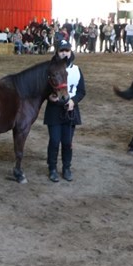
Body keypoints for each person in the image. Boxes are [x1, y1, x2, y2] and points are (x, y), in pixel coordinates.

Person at [44, 40, 85, 182]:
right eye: (61, 51)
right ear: (56, 52)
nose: (64, 53)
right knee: (55, 140)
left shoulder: (77, 69)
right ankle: (52, 168)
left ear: (70, 52)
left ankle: (66, 168)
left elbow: (81, 91)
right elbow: (44, 89)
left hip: (70, 109)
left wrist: (74, 101)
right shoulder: (50, 69)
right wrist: (49, 97)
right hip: (54, 110)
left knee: (67, 142)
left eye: (66, 50)